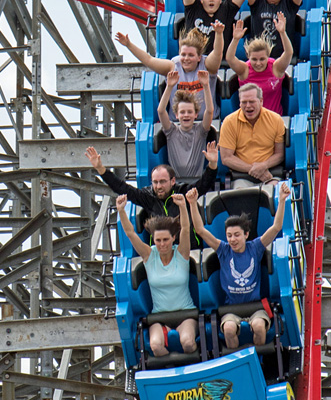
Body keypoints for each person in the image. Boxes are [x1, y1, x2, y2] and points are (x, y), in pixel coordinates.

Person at [186, 182, 291, 349]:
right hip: (232, 309)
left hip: (255, 307)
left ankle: (258, 361)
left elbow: (276, 227)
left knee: (258, 326)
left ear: (246, 235)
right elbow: (200, 230)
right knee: (228, 329)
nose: (232, 239)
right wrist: (192, 204)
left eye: (236, 235)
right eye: (229, 235)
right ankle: (239, 361)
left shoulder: (255, 247)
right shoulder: (223, 250)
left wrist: (283, 200)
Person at [116, 194, 198, 356]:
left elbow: (186, 229)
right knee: (155, 346)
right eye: (158, 240)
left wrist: (183, 206)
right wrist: (121, 211)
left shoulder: (181, 254)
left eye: (166, 240)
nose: (162, 244)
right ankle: (171, 371)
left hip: (186, 313)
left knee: (187, 342)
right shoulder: (149, 255)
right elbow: (130, 233)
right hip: (159, 316)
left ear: (173, 238)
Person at [85, 145, 219, 231]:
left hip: (187, 247)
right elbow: (122, 188)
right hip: (160, 249)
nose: (158, 186)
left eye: (162, 182)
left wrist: (212, 163)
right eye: (155, 182)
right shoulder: (148, 197)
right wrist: (101, 169)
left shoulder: (183, 192)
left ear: (173, 181)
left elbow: (205, 183)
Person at [116, 20, 224, 121]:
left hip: (206, 121)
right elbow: (149, 60)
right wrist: (129, 45)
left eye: (191, 55)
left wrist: (219, 34)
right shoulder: (174, 66)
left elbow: (218, 53)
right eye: (183, 55)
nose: (186, 58)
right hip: (178, 123)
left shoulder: (207, 65)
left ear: (199, 57)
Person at [225, 14, 294, 114]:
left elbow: (289, 53)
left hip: (272, 120)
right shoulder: (245, 70)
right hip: (249, 119)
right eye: (254, 59)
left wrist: (282, 33)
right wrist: (235, 39)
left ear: (268, 56)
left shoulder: (276, 68)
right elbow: (230, 58)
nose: (258, 63)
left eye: (262, 59)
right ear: (248, 57)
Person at [218, 83, 285, 186]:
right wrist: (254, 170)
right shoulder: (229, 122)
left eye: (252, 102)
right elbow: (226, 158)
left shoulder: (275, 120)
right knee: (241, 194)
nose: (248, 106)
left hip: (269, 174)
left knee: (274, 191)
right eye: (244, 102)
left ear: (261, 101)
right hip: (241, 176)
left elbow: (279, 154)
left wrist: (263, 166)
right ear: (239, 103)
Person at [158, 70, 216, 184]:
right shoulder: (171, 131)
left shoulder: (200, 130)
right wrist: (169, 86)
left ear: (195, 114)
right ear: (176, 115)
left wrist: (206, 85)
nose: (186, 115)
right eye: (182, 112)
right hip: (176, 183)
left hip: (197, 181)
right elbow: (161, 111)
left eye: (189, 112)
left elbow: (209, 111)